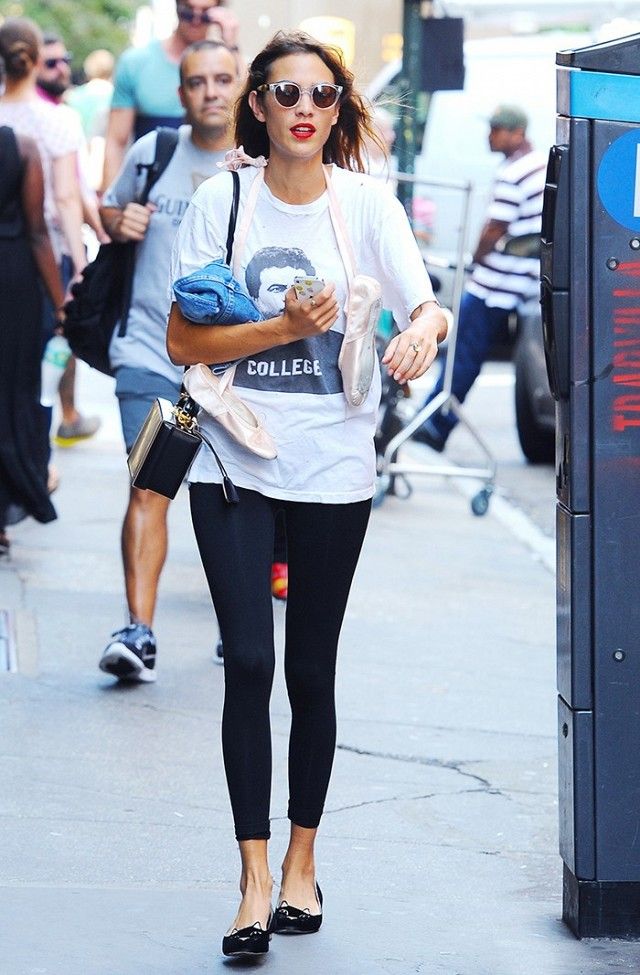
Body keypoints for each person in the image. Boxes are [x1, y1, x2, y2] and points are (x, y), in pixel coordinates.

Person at [167, 30, 447, 957]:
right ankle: (251, 880)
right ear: (258, 104)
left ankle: (301, 863)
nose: (305, 109)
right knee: (248, 662)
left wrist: (426, 334)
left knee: (309, 671)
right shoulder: (225, 200)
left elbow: (426, 304)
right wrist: (281, 326)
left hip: (334, 470)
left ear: (337, 111)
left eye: (323, 96)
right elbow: (185, 343)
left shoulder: (368, 204)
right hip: (231, 463)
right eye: (286, 92)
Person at [97, 40, 241, 683]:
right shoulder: (153, 153)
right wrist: (118, 219)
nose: (210, 91)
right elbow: (108, 208)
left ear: (243, 88)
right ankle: (139, 633)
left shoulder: (263, 164)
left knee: (236, 500)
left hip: (233, 367)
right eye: (196, 82)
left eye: (222, 80)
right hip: (149, 353)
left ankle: (235, 629)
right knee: (150, 483)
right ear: (179, 94)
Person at [412, 104, 546, 452]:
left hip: (497, 284)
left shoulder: (515, 173)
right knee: (467, 355)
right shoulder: (537, 166)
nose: (490, 136)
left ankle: (436, 425)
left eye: (496, 129)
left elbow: (494, 229)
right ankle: (433, 420)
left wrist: (476, 258)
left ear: (517, 133)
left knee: (462, 355)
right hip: (520, 282)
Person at [35, 29, 105, 446]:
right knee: (59, 335)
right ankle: (54, 422)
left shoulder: (62, 111)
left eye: (65, 58)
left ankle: (64, 416)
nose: (62, 67)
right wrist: (82, 258)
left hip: (49, 244)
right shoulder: (55, 118)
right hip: (51, 247)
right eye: (51, 62)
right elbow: (68, 193)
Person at [0, 124, 66, 554]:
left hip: (15, 284)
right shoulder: (21, 146)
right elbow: (38, 231)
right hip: (13, 284)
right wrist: (61, 304)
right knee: (11, 395)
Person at [102, 0, 240, 190]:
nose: (196, 20)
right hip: (154, 195)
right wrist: (111, 209)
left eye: (205, 13)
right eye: (188, 11)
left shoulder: (230, 66)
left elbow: (247, 113)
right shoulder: (135, 63)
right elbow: (116, 142)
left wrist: (231, 44)